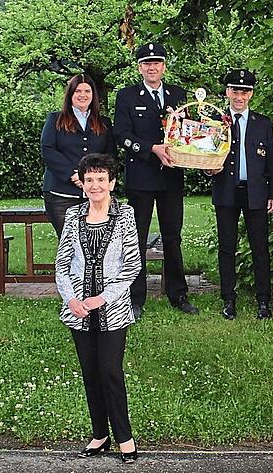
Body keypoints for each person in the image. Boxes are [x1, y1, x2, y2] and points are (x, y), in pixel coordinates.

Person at [55, 153, 141, 463]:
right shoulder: (73, 216)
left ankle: (125, 438)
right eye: (89, 179)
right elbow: (62, 264)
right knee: (90, 373)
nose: (95, 185)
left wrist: (102, 298)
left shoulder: (126, 216)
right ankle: (99, 435)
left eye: (101, 179)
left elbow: (132, 266)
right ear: (82, 184)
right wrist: (71, 299)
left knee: (110, 372)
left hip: (112, 311)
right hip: (78, 312)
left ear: (112, 183)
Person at [114, 42, 196, 319]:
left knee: (173, 237)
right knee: (136, 238)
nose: (152, 67)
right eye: (147, 63)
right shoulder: (126, 96)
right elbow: (121, 135)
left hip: (172, 176)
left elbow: (187, 134)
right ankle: (135, 298)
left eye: (157, 62)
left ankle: (178, 294)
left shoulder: (178, 95)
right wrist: (151, 149)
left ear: (164, 66)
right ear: (140, 68)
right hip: (141, 176)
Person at [207, 69, 273, 320]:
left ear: (251, 94)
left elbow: (272, 162)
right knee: (227, 248)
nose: (240, 96)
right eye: (235, 90)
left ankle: (263, 301)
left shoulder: (262, 123)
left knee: (260, 248)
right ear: (227, 92)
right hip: (226, 190)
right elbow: (205, 156)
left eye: (245, 91)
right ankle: (228, 299)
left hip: (256, 192)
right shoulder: (216, 122)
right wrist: (208, 169)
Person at [41, 74, 117, 237]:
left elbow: (110, 155)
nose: (83, 95)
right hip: (61, 194)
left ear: (93, 95)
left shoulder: (104, 122)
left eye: (87, 91)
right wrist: (73, 175)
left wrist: (95, 178)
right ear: (70, 95)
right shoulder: (55, 119)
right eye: (78, 91)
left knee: (96, 243)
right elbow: (47, 150)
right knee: (70, 245)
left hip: (96, 194)